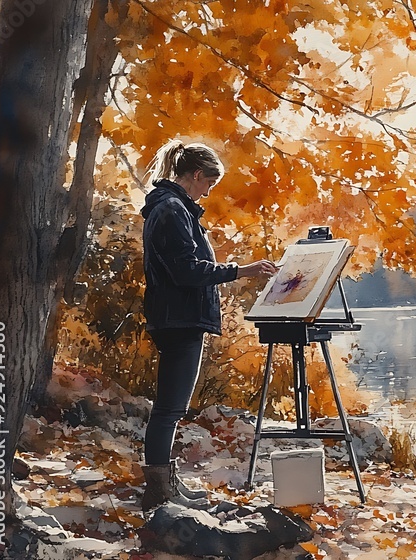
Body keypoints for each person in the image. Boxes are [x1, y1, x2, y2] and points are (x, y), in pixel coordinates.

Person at [139, 139, 278, 509]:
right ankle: (159, 490)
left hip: (178, 318)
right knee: (169, 409)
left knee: (171, 407)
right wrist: (241, 270)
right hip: (178, 320)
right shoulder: (171, 210)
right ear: (196, 175)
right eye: (208, 185)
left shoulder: (174, 209)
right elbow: (186, 271)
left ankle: (165, 483)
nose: (208, 193)